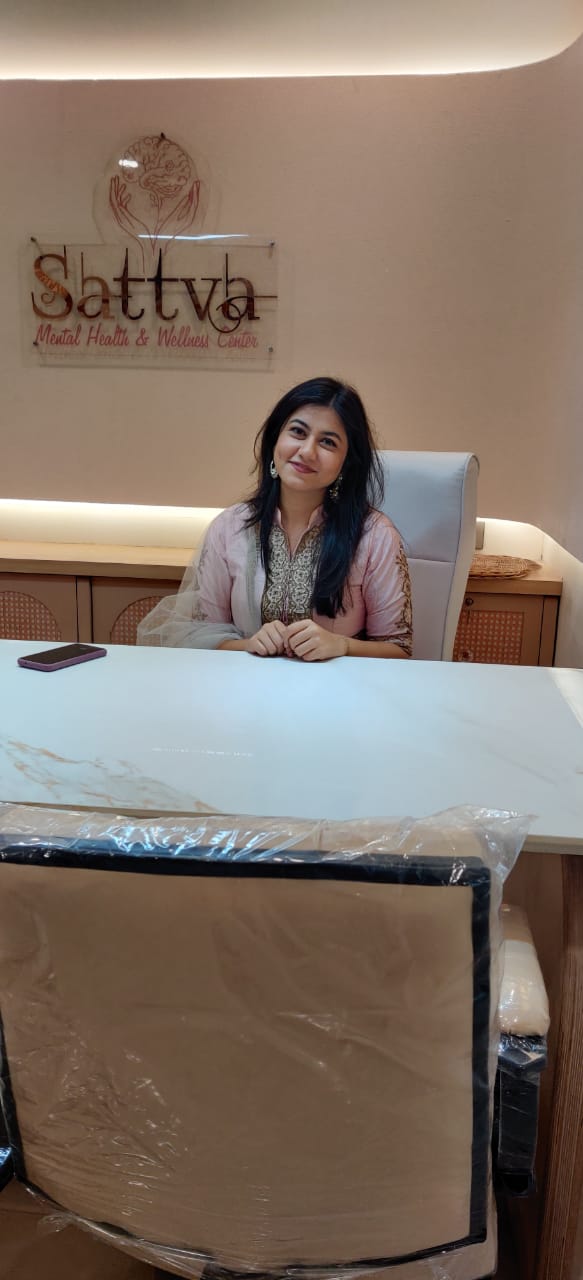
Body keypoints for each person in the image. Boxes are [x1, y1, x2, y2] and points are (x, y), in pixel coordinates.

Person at [137, 376, 413, 660]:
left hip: (338, 686)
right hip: (245, 683)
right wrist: (249, 644)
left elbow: (399, 649)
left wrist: (342, 645)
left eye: (328, 442)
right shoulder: (229, 528)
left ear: (347, 462)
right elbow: (199, 637)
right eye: (298, 432)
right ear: (275, 439)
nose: (307, 451)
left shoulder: (375, 535)